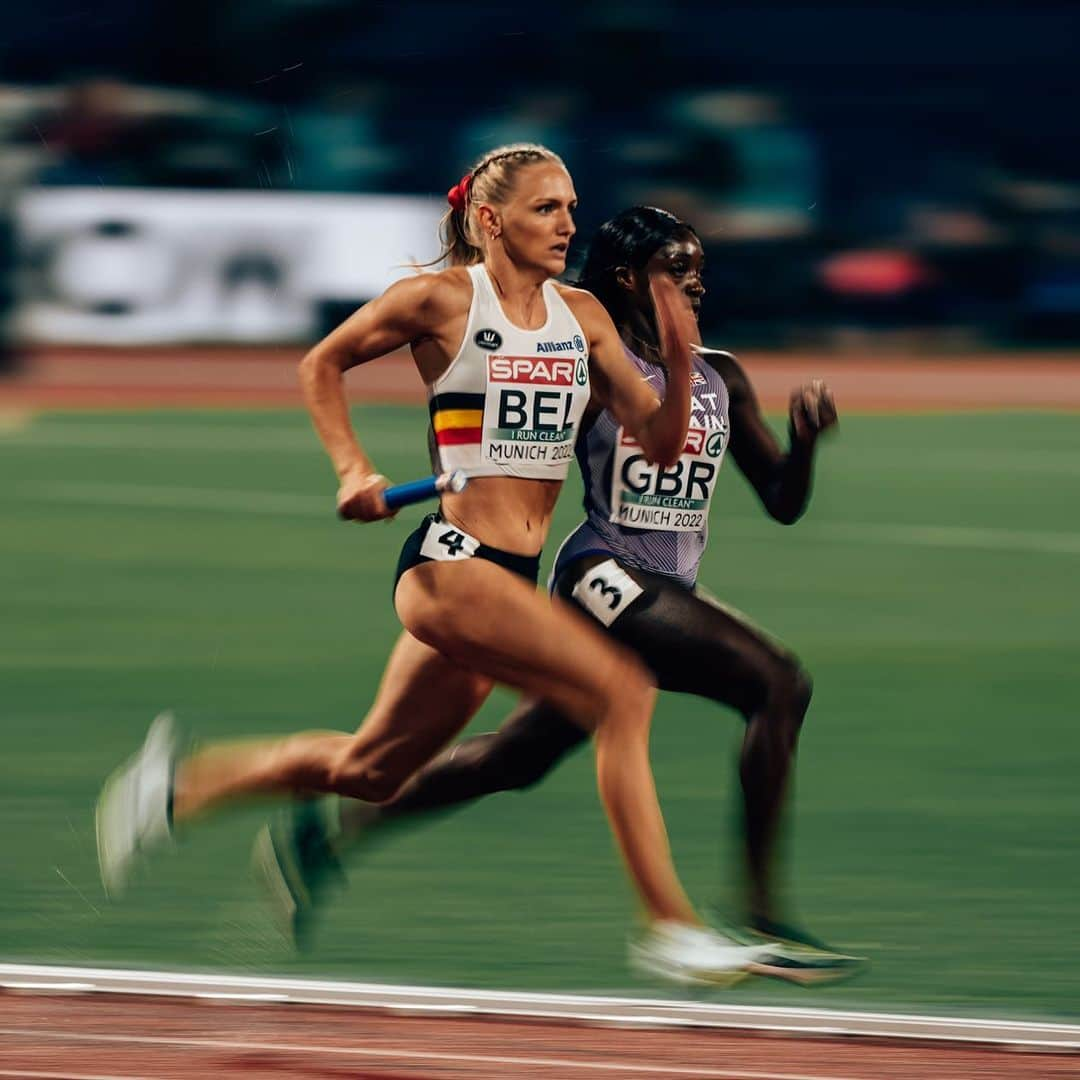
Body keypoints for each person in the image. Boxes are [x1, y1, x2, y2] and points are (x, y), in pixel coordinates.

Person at [95, 146, 778, 986]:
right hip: (450, 565)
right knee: (621, 692)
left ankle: (176, 789)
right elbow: (322, 363)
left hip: (507, 576)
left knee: (372, 772)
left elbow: (665, 444)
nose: (568, 223)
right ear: (491, 221)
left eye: (570, 206)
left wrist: (678, 350)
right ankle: (668, 927)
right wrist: (352, 468)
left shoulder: (584, 317)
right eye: (545, 209)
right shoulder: (442, 301)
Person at [260, 205, 860, 984]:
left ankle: (329, 834)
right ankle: (761, 916)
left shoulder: (720, 375)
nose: (696, 281)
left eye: (698, 268)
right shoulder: (577, 356)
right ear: (626, 280)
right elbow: (505, 425)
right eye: (677, 269)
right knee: (777, 683)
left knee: (513, 759)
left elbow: (781, 500)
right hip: (601, 572)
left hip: (664, 583)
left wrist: (806, 444)